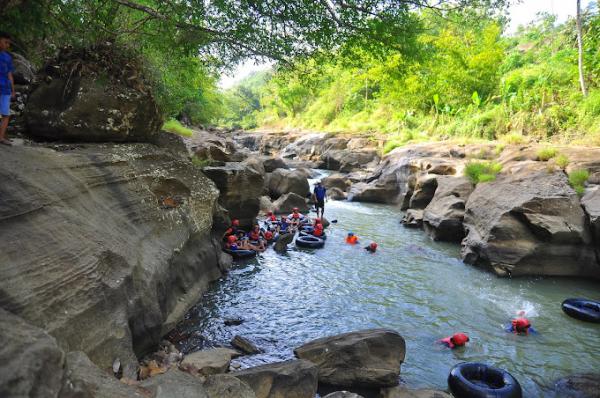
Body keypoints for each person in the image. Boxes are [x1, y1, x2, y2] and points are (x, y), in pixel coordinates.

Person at [0, 32, 15, 146]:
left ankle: (1, 137)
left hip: (5, 89)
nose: (7, 45)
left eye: (8, 43)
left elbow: (10, 74)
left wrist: (13, 90)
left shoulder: (8, 57)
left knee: (6, 114)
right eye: (5, 42)